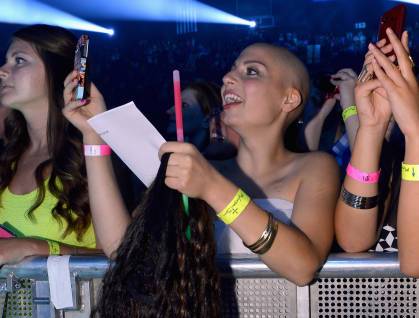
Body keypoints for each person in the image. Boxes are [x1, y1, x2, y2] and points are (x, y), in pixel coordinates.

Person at [63, 43, 340, 286]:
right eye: (232, 69)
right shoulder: (203, 171)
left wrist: (213, 189)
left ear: (288, 99)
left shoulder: (315, 168)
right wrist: (93, 135)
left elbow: (302, 267)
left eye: (251, 71)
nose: (228, 77)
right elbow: (120, 247)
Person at [0, 24, 98, 263]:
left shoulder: (90, 157)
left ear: (56, 74)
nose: (2, 70)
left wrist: (33, 247)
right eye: (6, 60)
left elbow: (120, 259)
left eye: (19, 60)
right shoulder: (7, 157)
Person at [335, 28, 419, 277]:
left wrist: (415, 133)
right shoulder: (394, 164)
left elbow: (414, 263)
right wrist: (373, 126)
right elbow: (352, 241)